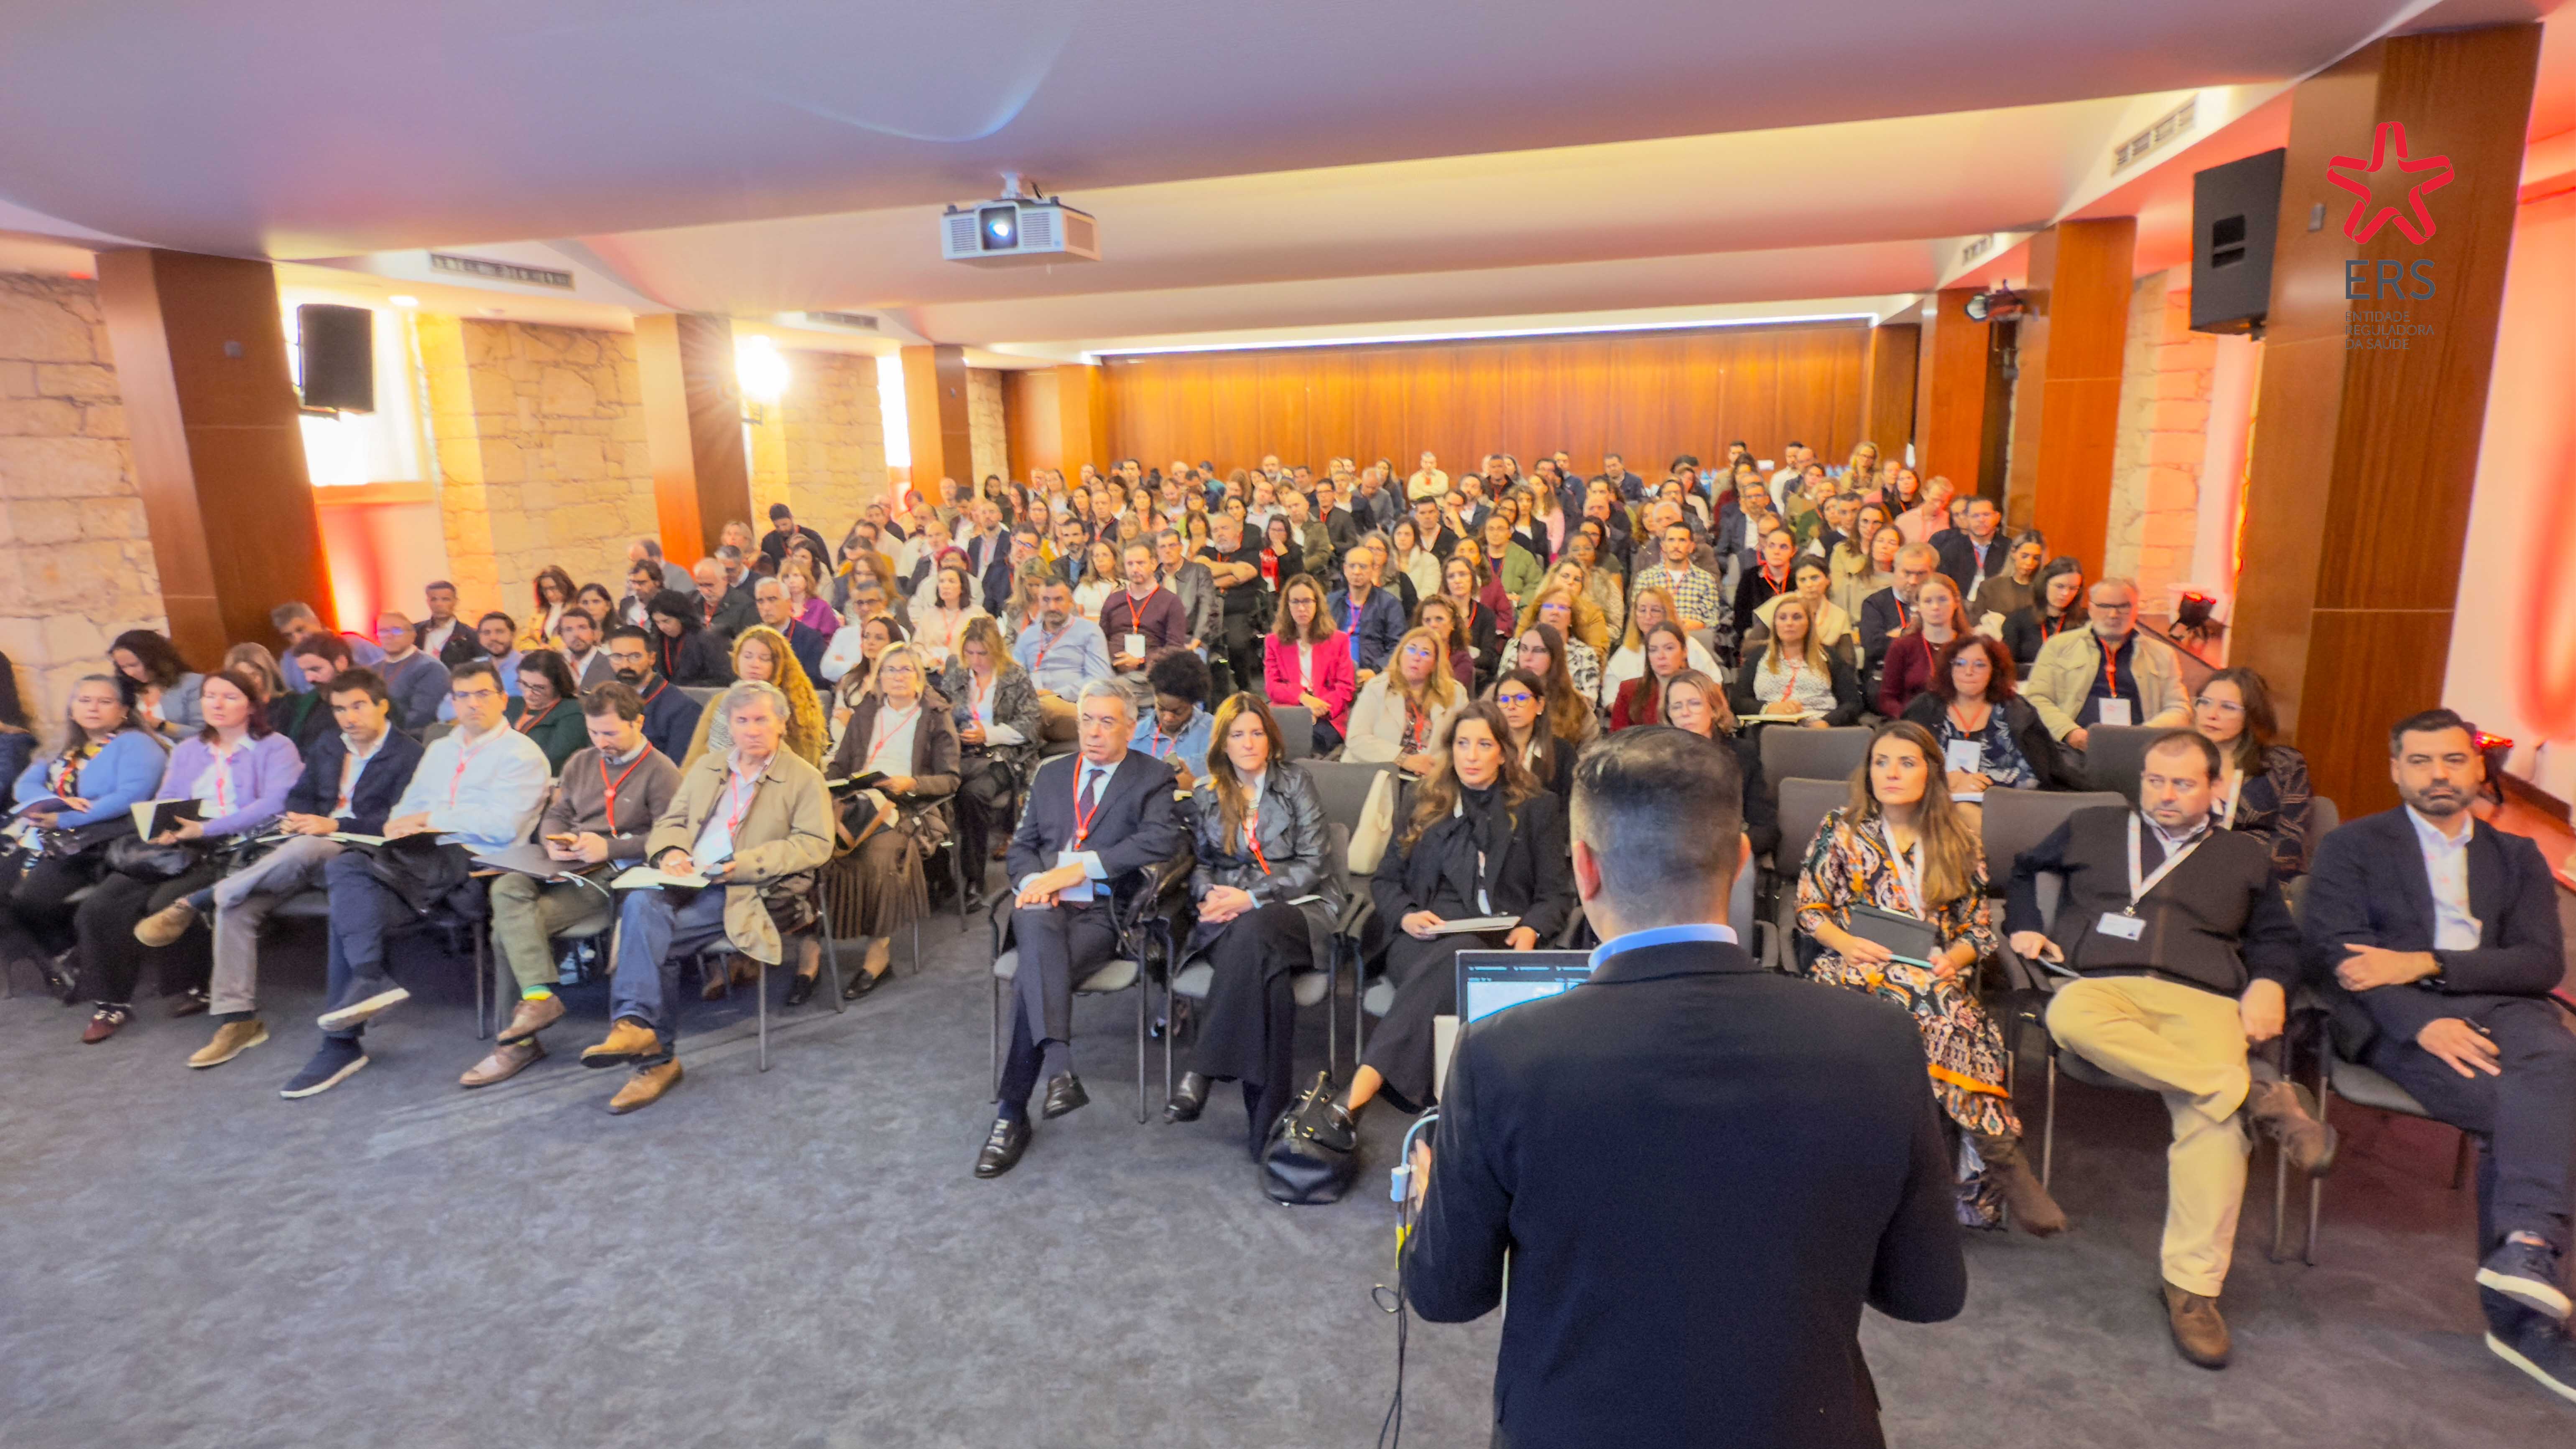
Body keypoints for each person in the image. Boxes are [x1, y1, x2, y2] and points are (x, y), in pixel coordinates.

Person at [2005, 729, 2331, 1368]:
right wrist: (2024, 924)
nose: (2165, 793)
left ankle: (2191, 1289)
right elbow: (2023, 868)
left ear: (2216, 788)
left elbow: (2277, 941)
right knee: (2068, 1015)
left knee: (2212, 1126)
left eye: (2183, 782)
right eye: (2154, 780)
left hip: (2204, 999)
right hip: (2102, 989)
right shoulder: (2091, 825)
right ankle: (2257, 1096)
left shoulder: (2243, 854)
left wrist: (2268, 983)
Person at [2301, 709, 2576, 1403]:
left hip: (2500, 1003)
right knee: (2516, 1108)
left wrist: (2425, 960)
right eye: (2419, 761)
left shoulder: (2515, 857)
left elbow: (2539, 964)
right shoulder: (2352, 846)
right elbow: (2339, 959)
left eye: (2452, 760)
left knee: (2556, 1072)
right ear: (2396, 770)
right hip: (2399, 1020)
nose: (2437, 775)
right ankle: (2523, 1311)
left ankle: (2526, 1251)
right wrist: (2421, 1023)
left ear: (2477, 768)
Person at [1795, 721, 2065, 1235]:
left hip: (1930, 971)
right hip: (1853, 969)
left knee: (1937, 1002)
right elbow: (1810, 909)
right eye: (1880, 761)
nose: (1891, 773)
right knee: (1954, 1018)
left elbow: (1978, 931)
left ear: (1932, 772)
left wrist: (1955, 958)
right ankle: (2003, 1155)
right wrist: (1848, 943)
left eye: (1906, 762)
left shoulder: (1958, 838)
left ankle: (1956, 1172)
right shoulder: (1841, 827)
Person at [283, 660, 550, 1099]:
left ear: (504, 699)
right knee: (347, 871)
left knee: (350, 902)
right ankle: (365, 984)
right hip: (416, 860)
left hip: (470, 868)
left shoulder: (522, 754)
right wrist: (405, 824)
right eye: (462, 696)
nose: (471, 704)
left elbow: (502, 826)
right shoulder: (442, 748)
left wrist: (432, 818)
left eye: (483, 694)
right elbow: (404, 808)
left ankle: (342, 1039)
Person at [575, 681, 834, 1113]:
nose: (751, 730)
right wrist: (672, 850)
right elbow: (671, 821)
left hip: (746, 886)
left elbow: (813, 845)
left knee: (649, 934)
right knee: (641, 903)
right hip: (687, 878)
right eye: (742, 721)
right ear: (729, 725)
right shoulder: (709, 767)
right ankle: (639, 1031)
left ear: (782, 724)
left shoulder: (804, 778)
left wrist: (744, 862)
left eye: (761, 720)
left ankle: (649, 1050)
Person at [974, 681, 1187, 1178]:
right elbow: (1023, 844)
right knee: (1035, 926)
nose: (1093, 731)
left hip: (1101, 910)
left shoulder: (1153, 776)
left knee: (1034, 976)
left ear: (1131, 728)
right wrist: (1033, 883)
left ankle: (1014, 1112)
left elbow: (1161, 839)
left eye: (1107, 721)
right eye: (1087, 719)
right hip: (1039, 907)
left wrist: (1080, 869)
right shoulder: (1052, 775)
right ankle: (1054, 1072)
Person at [161, 667, 423, 1069]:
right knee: (240, 905)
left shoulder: (409, 754)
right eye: (339, 708)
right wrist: (297, 818)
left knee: (296, 852)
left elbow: (399, 822)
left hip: (362, 854)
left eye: (358, 707)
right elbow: (299, 797)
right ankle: (238, 1019)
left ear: (382, 706)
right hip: (302, 849)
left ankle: (204, 897)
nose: (348, 717)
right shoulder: (328, 745)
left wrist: (334, 825)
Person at [1340, 702, 1574, 1124]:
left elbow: (1556, 894)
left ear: (1503, 752)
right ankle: (1403, 1099)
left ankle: (1359, 1092)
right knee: (1456, 956)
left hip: (1502, 944)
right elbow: (1386, 881)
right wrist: (1408, 915)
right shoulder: (1422, 799)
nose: (1471, 754)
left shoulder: (1538, 808)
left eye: (1484, 744)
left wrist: (1532, 930)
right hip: (1422, 939)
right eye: (1463, 744)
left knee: (1464, 955)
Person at [459, 681, 682, 1087]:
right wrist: (553, 841)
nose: (602, 742)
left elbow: (672, 836)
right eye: (595, 732)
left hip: (615, 874)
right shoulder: (583, 761)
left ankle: (518, 1043)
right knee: (506, 887)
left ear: (639, 722)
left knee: (506, 932)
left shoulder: (661, 770)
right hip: (567, 864)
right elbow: (557, 814)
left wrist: (609, 846)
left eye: (611, 732)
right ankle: (538, 1003)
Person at [67, 671, 300, 1041]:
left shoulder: (276, 747)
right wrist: (162, 825)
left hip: (240, 844)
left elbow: (273, 805)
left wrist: (205, 830)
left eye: (230, 697)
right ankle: (110, 1004)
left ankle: (196, 986)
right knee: (100, 905)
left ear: (252, 706)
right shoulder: (191, 749)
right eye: (210, 696)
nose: (217, 704)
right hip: (182, 841)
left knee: (165, 900)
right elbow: (169, 796)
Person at [1164, 694, 1339, 1152]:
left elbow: (1314, 863)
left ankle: (1202, 1067)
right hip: (1229, 917)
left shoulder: (1296, 782)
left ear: (1271, 737)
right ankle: (1265, 1129)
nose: (1248, 742)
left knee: (1257, 928)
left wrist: (1251, 897)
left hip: (1299, 909)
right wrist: (1212, 896)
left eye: (1257, 732)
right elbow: (1201, 866)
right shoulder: (1207, 793)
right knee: (1271, 983)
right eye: (1238, 734)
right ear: (1222, 742)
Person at [4, 675, 171, 997]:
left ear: (123, 711)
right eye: (84, 700)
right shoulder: (61, 745)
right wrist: (53, 805)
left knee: (41, 897)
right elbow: (25, 786)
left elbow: (131, 795)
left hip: (108, 839)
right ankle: (65, 954)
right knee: (20, 897)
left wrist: (64, 816)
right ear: (72, 708)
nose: (93, 708)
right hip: (58, 836)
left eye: (104, 702)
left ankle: (80, 962)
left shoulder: (136, 743)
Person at [823, 643, 958, 1003]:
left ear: (919, 678)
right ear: (879, 677)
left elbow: (950, 780)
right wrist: (830, 785)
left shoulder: (934, 715)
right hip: (856, 802)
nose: (897, 677)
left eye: (905, 670)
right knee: (818, 851)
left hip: (907, 806)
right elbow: (840, 764)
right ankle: (809, 957)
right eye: (890, 670)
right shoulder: (867, 712)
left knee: (881, 858)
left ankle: (877, 954)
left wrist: (911, 783)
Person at [941, 616, 1042, 911]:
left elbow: (1030, 725)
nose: (976, 660)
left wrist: (989, 734)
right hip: (960, 753)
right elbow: (941, 713)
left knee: (973, 795)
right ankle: (940, 879)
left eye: (982, 654)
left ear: (995, 651)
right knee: (935, 791)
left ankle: (974, 879)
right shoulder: (957, 675)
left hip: (1002, 756)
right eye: (970, 653)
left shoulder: (1015, 676)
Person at [2025, 579, 2189, 752]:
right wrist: (2069, 732)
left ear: (2136, 608)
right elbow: (2037, 698)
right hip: (2072, 750)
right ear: (2091, 607)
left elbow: (2179, 708)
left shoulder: (2162, 654)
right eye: (2104, 606)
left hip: (2141, 752)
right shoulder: (2059, 646)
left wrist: (2145, 735)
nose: (2113, 614)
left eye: (2123, 607)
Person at [1902, 634, 2063, 803]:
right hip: (1934, 807)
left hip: (2004, 809)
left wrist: (1983, 787)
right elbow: (1902, 766)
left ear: (1994, 670)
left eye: (1979, 665)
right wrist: (1944, 782)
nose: (1968, 671)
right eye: (1960, 664)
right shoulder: (1924, 709)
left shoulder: (2017, 712)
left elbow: (2038, 776)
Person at [2191, 668, 2313, 881]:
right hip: (2182, 878)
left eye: (2228, 707)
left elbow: (2288, 851)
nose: (2212, 714)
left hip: (2258, 884)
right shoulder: (2172, 761)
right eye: (2205, 702)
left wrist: (2220, 863)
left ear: (2253, 715)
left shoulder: (2284, 766)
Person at [1656, 668, 1780, 860]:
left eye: (1695, 704)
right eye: (1676, 707)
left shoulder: (1742, 755)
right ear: (1669, 715)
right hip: (1671, 858)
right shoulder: (1657, 760)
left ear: (1713, 709)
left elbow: (1766, 828)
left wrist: (1729, 851)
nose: (1685, 713)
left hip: (1727, 857)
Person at [680, 625, 828, 771]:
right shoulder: (720, 701)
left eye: (764, 659)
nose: (754, 664)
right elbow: (694, 757)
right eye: (748, 656)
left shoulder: (796, 706)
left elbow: (802, 764)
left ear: (779, 664)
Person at [1344, 628, 1460, 774]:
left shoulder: (1455, 693)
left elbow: (1461, 742)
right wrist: (1404, 760)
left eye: (1425, 653)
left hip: (1429, 777)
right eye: (1411, 650)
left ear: (1435, 665)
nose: (1417, 657)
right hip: (1374, 774)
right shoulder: (1378, 688)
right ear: (1400, 654)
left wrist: (1435, 766)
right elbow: (1356, 739)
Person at [1264, 573, 1356, 756]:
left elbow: (1346, 688)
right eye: (1295, 602)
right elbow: (1273, 687)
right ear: (1287, 606)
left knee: (1306, 743)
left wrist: (1318, 710)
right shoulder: (1274, 641)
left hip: (1327, 715)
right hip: (1288, 711)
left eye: (1307, 601)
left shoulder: (1339, 640)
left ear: (1317, 604)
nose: (1301, 608)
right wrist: (1303, 699)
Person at [1597, 587, 1718, 707]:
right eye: (1642, 610)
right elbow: (1610, 699)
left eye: (1655, 610)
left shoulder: (1690, 645)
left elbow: (1714, 685)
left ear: (1667, 613)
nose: (1648, 617)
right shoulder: (1627, 650)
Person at [602, 625, 705, 763]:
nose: (625, 665)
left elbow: (678, 768)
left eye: (635, 657)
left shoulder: (683, 708)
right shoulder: (605, 700)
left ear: (652, 658)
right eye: (617, 657)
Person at [1875, 571, 1967, 718]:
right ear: (1918, 606)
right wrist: (1909, 717)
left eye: (1943, 600)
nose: (1935, 607)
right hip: (1913, 726)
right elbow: (1888, 698)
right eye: (1928, 601)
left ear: (1956, 602)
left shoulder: (1970, 646)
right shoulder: (1902, 647)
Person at [1097, 540, 1190, 675]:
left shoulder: (1171, 602)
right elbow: (1101, 639)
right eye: (1130, 564)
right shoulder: (1114, 600)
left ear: (1153, 564)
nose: (1135, 569)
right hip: (1111, 671)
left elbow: (1175, 649)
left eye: (1141, 563)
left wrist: (1141, 661)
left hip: (1152, 673)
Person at [1507, 620, 1599, 750]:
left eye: (1538, 651)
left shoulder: (1576, 705)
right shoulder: (1498, 694)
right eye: (1524, 649)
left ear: (1554, 657)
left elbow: (1589, 754)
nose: (1528, 657)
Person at [1131, 647, 1214, 788]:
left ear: (1193, 703)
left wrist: (1194, 787)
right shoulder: (1135, 737)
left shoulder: (1214, 734)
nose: (1168, 718)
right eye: (1161, 708)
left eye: (1178, 711)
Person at [1857, 541, 1938, 684]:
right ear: (1894, 570)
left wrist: (1896, 636)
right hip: (1886, 677)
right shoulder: (1875, 604)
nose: (1913, 581)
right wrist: (1910, 635)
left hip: (1933, 677)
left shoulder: (1943, 603)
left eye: (1920, 574)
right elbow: (1874, 648)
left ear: (1933, 573)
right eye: (1907, 573)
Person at [1324, 545, 1407, 684]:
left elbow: (1398, 646)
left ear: (1374, 569)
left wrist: (1376, 671)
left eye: (1363, 567)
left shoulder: (1389, 604)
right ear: (1345, 569)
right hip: (1333, 676)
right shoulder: (1331, 602)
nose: (1357, 572)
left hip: (1373, 678)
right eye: (1352, 566)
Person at [110, 628, 202, 740]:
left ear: (155, 660)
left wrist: (162, 726)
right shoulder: (126, 688)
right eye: (123, 667)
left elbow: (205, 733)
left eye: (134, 665)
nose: (130, 673)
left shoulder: (192, 683)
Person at [1631, 520, 1722, 635]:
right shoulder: (1646, 578)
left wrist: (1701, 625)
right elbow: (1636, 616)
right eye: (1671, 540)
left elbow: (1714, 621)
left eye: (1682, 540)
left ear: (1691, 547)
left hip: (1693, 639)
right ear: (1663, 546)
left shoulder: (1706, 580)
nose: (1676, 546)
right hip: (1653, 639)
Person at [504, 650, 588, 773]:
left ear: (558, 685)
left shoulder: (573, 711)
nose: (528, 694)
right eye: (524, 684)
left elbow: (555, 759)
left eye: (539, 688)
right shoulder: (511, 704)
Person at [273, 602, 386, 692]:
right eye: (289, 636)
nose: (297, 639)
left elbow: (388, 667)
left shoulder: (353, 642)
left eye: (301, 630)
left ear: (315, 622)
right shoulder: (288, 661)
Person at [368, 608, 455, 724]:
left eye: (397, 631)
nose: (389, 636)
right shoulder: (372, 670)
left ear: (413, 635)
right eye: (383, 631)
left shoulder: (430, 668)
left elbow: (421, 718)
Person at [1608, 622, 1697, 731]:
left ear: (1684, 652)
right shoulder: (1629, 690)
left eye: (1669, 648)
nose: (1661, 656)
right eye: (1653, 650)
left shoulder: (1701, 688)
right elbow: (1616, 739)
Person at [1521, 590, 1604, 704]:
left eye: (1563, 608)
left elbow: (1589, 703)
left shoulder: (1585, 654)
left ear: (1572, 618)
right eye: (1549, 606)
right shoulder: (1518, 646)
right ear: (1539, 614)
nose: (1555, 612)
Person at [2002, 556, 2086, 667]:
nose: (2066, 593)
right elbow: (2006, 667)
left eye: (2073, 588)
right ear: (2045, 584)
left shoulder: (2087, 622)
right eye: (2060, 586)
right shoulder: (2017, 620)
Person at [645, 588, 732, 687]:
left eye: (666, 621)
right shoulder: (656, 640)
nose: (662, 627)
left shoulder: (707, 639)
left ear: (682, 618)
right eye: (657, 622)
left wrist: (688, 689)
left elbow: (724, 678)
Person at [752, 576, 831, 682]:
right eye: (760, 601)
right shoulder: (752, 637)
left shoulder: (810, 639)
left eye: (772, 600)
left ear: (789, 603)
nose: (766, 608)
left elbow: (816, 682)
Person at [1968, 534, 2048, 628]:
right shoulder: (1990, 587)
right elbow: (1975, 624)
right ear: (2014, 553)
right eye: (2025, 556)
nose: (2029, 563)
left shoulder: (2043, 591)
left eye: (2036, 558)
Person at [416, 580, 482, 665]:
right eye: (434, 600)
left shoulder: (471, 636)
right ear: (428, 602)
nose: (439, 604)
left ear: (456, 602)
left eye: (446, 600)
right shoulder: (415, 632)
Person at [759, 502, 829, 574]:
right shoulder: (769, 541)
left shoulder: (812, 537)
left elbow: (825, 563)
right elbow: (766, 570)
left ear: (791, 518)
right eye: (777, 526)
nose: (782, 529)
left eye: (785, 524)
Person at [518, 565, 577, 650]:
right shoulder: (539, 612)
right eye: (545, 590)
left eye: (553, 588)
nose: (550, 594)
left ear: (565, 585)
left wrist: (553, 649)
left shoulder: (576, 608)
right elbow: (527, 639)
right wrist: (538, 649)